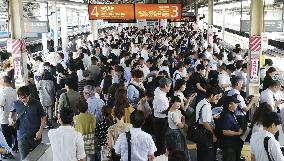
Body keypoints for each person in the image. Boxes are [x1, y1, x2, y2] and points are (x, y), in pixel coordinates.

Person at [8, 86, 46, 160]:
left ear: (29, 95)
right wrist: (10, 120)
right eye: (20, 98)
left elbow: (43, 117)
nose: (22, 100)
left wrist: (40, 131)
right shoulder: (16, 103)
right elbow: (10, 115)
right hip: (22, 135)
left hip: (35, 134)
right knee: (24, 158)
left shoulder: (37, 103)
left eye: (24, 97)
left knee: (38, 157)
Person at [195, 87, 219, 161]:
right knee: (207, 155)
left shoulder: (201, 102)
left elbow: (201, 116)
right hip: (205, 133)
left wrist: (212, 116)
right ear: (211, 95)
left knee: (201, 153)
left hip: (199, 131)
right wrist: (213, 135)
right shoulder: (207, 106)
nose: (216, 98)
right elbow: (206, 123)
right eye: (216, 96)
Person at [219, 96, 243, 161]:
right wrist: (238, 133)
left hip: (233, 144)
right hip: (229, 146)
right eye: (235, 103)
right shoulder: (226, 115)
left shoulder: (230, 113)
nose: (237, 105)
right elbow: (225, 131)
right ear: (230, 105)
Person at [153, 78, 172, 156]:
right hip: (161, 120)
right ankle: (160, 156)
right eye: (169, 86)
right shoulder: (161, 98)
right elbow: (162, 111)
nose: (170, 88)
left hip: (157, 119)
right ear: (165, 86)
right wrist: (171, 107)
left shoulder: (158, 90)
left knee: (159, 139)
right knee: (162, 141)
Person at [0, 76, 17, 158]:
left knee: (6, 136)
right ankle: (16, 147)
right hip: (15, 117)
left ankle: (8, 153)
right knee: (15, 133)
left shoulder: (3, 92)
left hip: (5, 117)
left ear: (4, 81)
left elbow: (1, 104)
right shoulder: (15, 91)